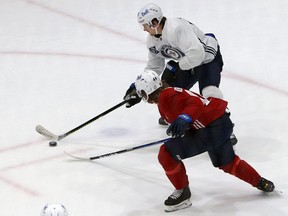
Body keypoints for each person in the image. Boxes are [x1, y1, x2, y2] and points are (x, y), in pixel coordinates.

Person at [134, 70, 275, 212]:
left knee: (166, 153)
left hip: (210, 129)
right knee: (228, 163)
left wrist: (185, 118)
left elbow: (195, 103)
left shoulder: (166, 98)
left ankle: (183, 194)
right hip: (220, 124)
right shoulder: (168, 92)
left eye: (142, 93)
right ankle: (260, 182)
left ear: (148, 91)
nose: (143, 97)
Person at [124, 3, 237, 144]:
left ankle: (225, 128)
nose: (144, 29)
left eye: (145, 25)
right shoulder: (152, 41)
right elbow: (154, 66)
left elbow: (197, 53)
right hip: (187, 63)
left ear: (154, 22)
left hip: (208, 59)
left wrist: (179, 66)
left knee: (210, 92)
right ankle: (181, 117)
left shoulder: (176, 28)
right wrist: (139, 87)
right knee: (165, 91)